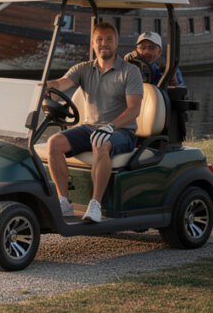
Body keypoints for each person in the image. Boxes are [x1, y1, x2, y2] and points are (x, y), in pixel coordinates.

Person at [44, 21, 143, 223]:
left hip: (122, 131)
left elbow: (134, 109)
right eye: (99, 39)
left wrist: (111, 127)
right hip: (90, 127)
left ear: (116, 43)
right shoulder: (84, 69)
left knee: (100, 142)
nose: (103, 43)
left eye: (109, 39)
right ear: (92, 43)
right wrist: (46, 86)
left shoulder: (130, 71)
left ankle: (95, 204)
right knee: (54, 143)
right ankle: (64, 202)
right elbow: (62, 83)